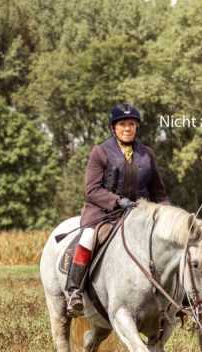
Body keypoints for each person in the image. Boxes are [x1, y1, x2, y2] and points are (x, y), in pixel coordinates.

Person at [65, 103, 169, 317]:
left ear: (137, 127)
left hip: (138, 215)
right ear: (114, 128)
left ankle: (177, 297)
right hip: (103, 213)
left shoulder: (146, 154)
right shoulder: (100, 152)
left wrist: (167, 214)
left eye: (131, 124)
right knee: (88, 237)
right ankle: (74, 290)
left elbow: (158, 192)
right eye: (123, 124)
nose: (127, 128)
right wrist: (118, 201)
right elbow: (91, 190)